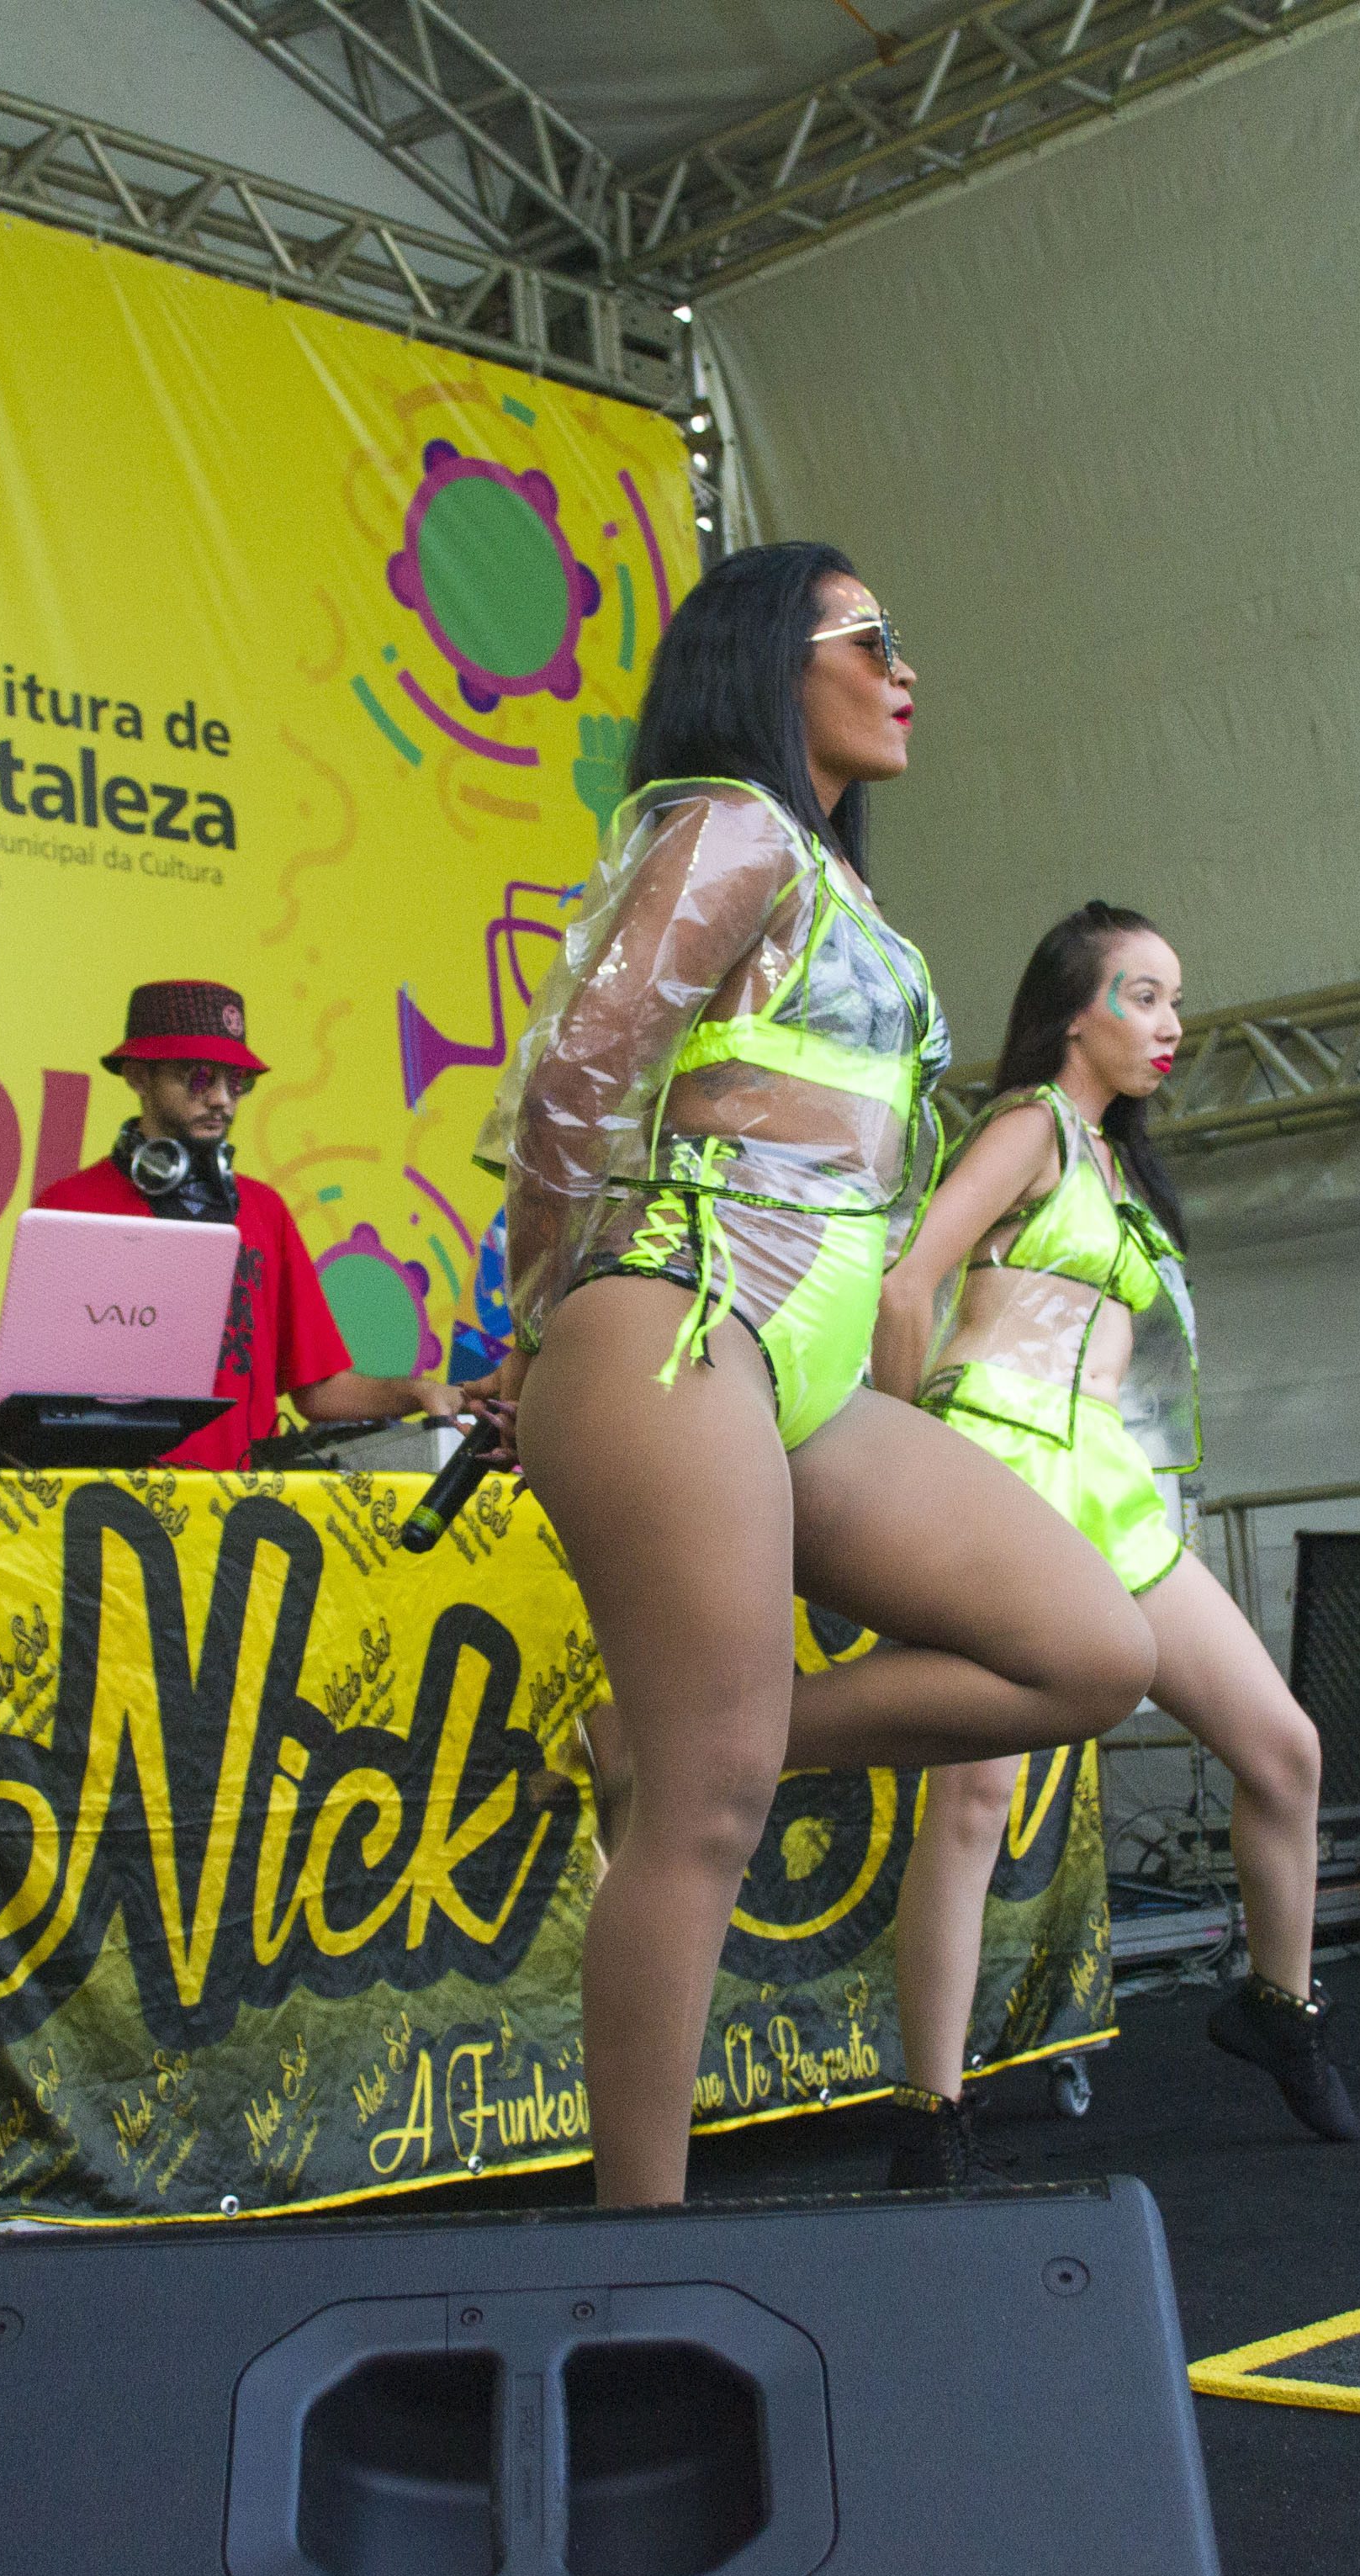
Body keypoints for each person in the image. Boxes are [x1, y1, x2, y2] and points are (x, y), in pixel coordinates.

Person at [467, 544, 1156, 2208]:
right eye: (872, 639)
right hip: (674, 1316)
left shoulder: (828, 876)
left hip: (803, 1370)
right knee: (704, 1817)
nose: (905, 672)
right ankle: (637, 2243)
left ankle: (666, 1741)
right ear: (775, 659)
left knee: (1091, 1653)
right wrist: (540, 1319)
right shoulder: (728, 825)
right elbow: (574, 1077)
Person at [873, 904, 1354, 2181]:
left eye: (1175, 999)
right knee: (976, 1796)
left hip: (1109, 1483)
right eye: (1143, 995)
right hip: (1000, 1460)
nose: (1171, 1023)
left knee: (1283, 1749)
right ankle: (929, 2109)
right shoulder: (1029, 1126)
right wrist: (899, 1463)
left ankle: (1281, 2004)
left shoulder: (1112, 1162)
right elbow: (906, 1281)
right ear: (1072, 1012)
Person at [30, 980, 459, 1469]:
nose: (222, 1100)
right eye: (199, 1079)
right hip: (111, 1497)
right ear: (138, 1076)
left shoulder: (264, 1211)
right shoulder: (68, 1207)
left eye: (237, 1082)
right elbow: (39, 1393)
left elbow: (318, 1391)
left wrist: (417, 1392)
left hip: (245, 1501)